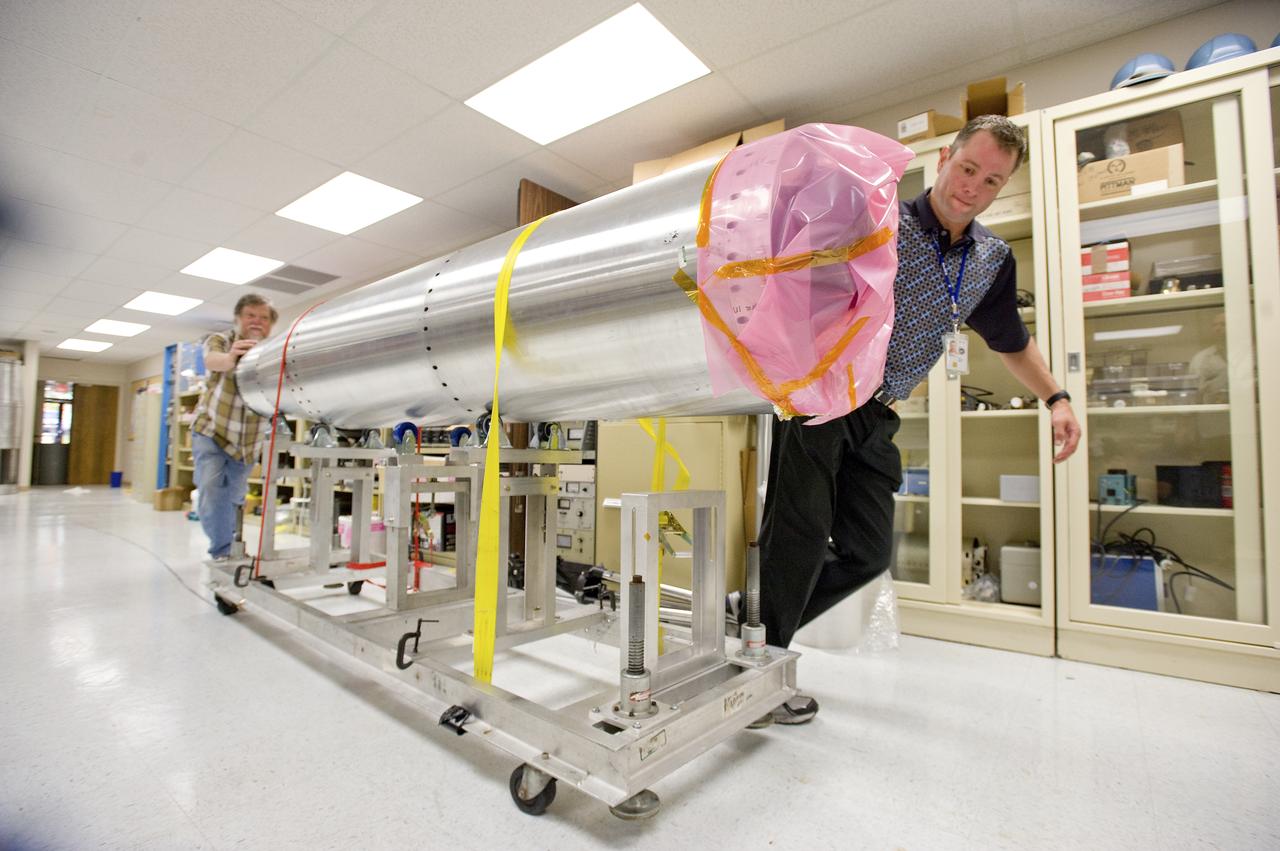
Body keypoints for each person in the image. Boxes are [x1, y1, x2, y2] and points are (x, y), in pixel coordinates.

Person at [755, 116, 1082, 726]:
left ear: (1004, 186)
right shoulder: (879, 221)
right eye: (967, 169)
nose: (973, 188)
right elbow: (797, 284)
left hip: (879, 415)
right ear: (942, 160)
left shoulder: (990, 258)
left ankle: (754, 619)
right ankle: (762, 666)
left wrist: (1056, 397)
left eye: (992, 180)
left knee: (869, 552)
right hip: (821, 401)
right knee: (798, 537)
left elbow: (1011, 341)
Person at [191, 293, 277, 560]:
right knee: (212, 491)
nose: (257, 322)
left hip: (247, 442)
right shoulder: (222, 340)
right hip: (212, 431)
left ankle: (230, 545)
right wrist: (230, 358)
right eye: (251, 315)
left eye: (263, 318)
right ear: (238, 318)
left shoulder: (272, 350)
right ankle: (223, 551)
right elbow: (211, 359)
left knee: (234, 498)